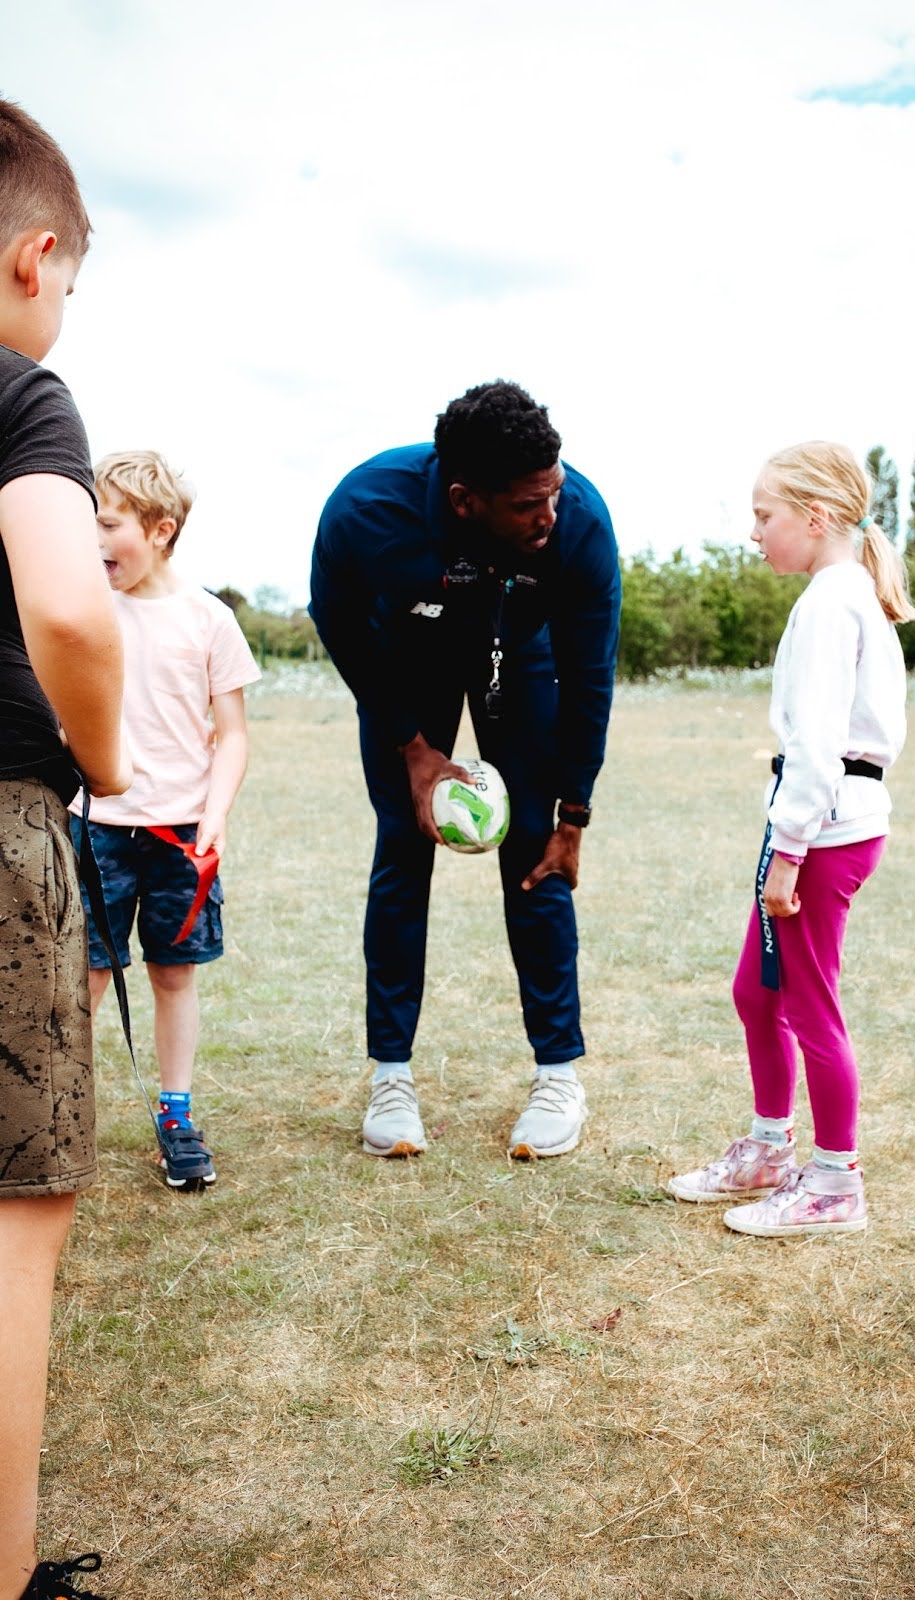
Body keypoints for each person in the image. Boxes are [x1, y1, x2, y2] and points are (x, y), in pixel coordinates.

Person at [311, 380, 620, 1159]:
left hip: (519, 664)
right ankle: (390, 1075)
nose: (548, 513)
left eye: (552, 490)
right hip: (406, 663)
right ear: (462, 499)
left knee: (535, 862)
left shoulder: (577, 521)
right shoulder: (366, 510)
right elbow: (339, 623)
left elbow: (591, 676)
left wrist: (572, 814)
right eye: (525, 503)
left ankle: (557, 1076)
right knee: (402, 852)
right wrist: (413, 749)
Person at [668, 441, 915, 1236]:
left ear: (814, 518)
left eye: (762, 515)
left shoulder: (830, 602)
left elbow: (818, 747)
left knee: (809, 1005)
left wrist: (787, 852)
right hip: (815, 823)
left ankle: (834, 1185)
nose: (754, 533)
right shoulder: (839, 594)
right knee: (758, 992)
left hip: (824, 831)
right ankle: (771, 1149)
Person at [0, 100, 130, 1600]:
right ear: (37, 260)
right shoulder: (23, 399)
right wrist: (99, 754)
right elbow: (74, 609)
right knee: (16, 1218)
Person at [69, 451, 260, 1191]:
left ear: (159, 529)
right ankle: (56, 1115)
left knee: (173, 977)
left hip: (181, 835)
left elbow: (233, 733)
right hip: (95, 827)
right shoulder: (81, 609)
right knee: (81, 979)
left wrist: (215, 816)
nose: (91, 538)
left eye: (107, 523)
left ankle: (175, 1116)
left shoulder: (209, 618)